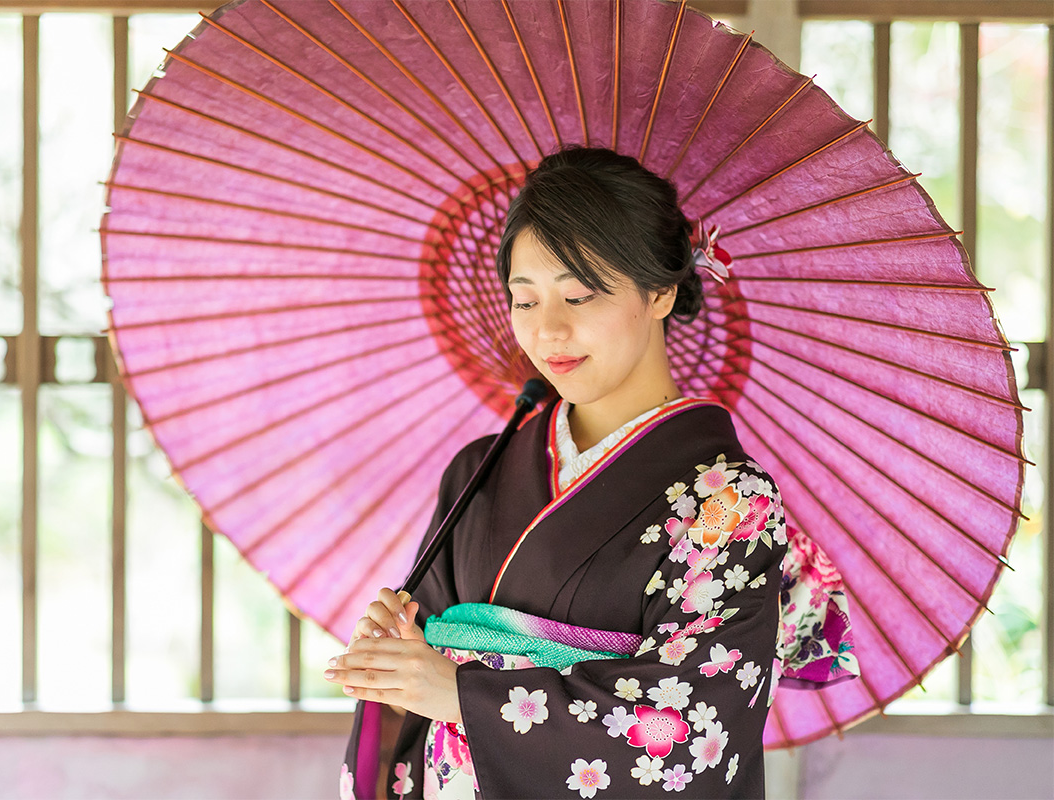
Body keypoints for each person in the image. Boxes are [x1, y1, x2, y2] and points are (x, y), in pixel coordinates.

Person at [326, 146, 789, 799]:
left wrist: (460, 694)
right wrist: (397, 660)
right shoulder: (478, 472)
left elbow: (690, 727)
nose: (548, 331)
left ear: (659, 292)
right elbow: (419, 692)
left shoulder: (729, 499)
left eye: (578, 295)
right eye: (525, 300)